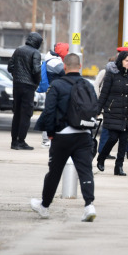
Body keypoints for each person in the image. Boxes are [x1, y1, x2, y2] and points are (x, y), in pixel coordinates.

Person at [30, 53, 97, 222]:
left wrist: (50, 133)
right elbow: (94, 108)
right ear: (80, 66)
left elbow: (49, 111)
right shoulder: (87, 85)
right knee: (85, 171)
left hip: (62, 136)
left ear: (64, 67)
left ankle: (44, 206)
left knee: (54, 172)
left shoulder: (57, 85)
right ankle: (89, 206)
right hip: (84, 136)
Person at [96, 51, 128, 176]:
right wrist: (97, 110)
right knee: (112, 138)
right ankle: (101, 158)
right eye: (126, 60)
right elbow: (104, 94)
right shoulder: (111, 74)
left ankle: (119, 167)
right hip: (112, 110)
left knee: (123, 141)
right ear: (121, 61)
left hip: (126, 111)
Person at [8, 32, 43, 150]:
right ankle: (21, 140)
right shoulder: (35, 53)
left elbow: (10, 66)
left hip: (17, 85)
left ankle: (14, 142)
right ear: (37, 42)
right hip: (28, 87)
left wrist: (16, 76)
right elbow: (37, 70)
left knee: (17, 113)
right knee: (26, 114)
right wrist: (37, 82)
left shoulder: (18, 50)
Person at [39, 42, 69, 149]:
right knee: (49, 113)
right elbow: (65, 72)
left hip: (54, 91)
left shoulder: (53, 59)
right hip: (53, 92)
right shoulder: (54, 62)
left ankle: (49, 138)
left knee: (51, 113)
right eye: (67, 50)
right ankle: (46, 139)